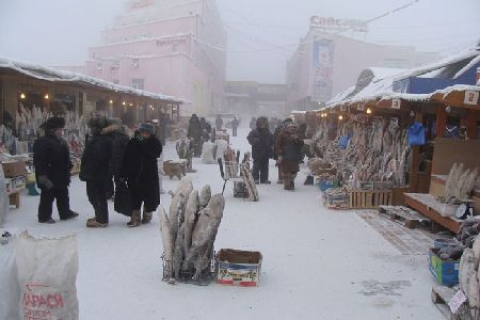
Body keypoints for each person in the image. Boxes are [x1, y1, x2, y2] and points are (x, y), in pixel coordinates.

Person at [33, 117, 78, 224]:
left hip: (61, 174)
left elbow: (65, 156)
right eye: (60, 130)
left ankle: (65, 212)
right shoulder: (42, 142)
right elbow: (39, 160)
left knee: (63, 194)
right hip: (49, 174)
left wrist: (69, 165)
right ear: (52, 131)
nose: (62, 132)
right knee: (47, 196)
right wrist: (42, 176)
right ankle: (44, 216)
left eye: (62, 130)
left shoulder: (61, 141)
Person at [122, 123, 162, 227]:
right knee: (134, 196)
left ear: (151, 133)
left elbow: (155, 153)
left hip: (149, 175)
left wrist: (143, 142)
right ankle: (135, 218)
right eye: (143, 132)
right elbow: (126, 158)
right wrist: (123, 173)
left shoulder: (155, 142)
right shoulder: (132, 142)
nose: (144, 134)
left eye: (147, 132)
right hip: (134, 174)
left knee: (149, 197)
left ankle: (147, 215)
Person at [80, 117, 113, 228]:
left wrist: (87, 172)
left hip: (97, 173)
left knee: (96, 195)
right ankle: (99, 215)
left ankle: (101, 219)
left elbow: (95, 159)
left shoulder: (101, 141)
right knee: (96, 195)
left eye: (93, 128)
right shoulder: (99, 139)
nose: (91, 130)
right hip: (97, 172)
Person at [102, 118, 129, 200]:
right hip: (107, 161)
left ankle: (120, 194)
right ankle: (108, 192)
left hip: (119, 161)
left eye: (113, 125)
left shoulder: (123, 136)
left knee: (119, 179)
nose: (111, 127)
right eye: (110, 125)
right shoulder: (105, 136)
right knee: (107, 178)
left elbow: (127, 149)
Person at [275, 123, 304, 191]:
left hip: (295, 156)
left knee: (294, 171)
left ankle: (291, 181)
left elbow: (301, 144)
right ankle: (287, 185)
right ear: (287, 128)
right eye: (290, 128)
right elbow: (277, 144)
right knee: (285, 171)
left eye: (294, 128)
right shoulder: (282, 134)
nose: (292, 129)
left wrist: (296, 139)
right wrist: (279, 154)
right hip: (285, 155)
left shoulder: (298, 135)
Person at [247, 117, 274, 184]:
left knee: (265, 166)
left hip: (266, 152)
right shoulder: (254, 131)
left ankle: (264, 179)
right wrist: (256, 141)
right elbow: (249, 138)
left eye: (264, 123)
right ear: (258, 123)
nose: (263, 124)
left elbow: (272, 140)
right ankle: (255, 178)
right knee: (256, 166)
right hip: (257, 152)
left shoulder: (268, 132)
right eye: (261, 123)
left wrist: (271, 145)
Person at [274, 118, 293, 184]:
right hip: (281, 150)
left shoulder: (294, 129)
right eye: (287, 122)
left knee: (289, 165)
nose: (288, 123)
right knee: (281, 165)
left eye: (289, 122)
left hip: (291, 150)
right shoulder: (279, 129)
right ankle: (281, 178)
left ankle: (288, 179)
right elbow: (275, 139)